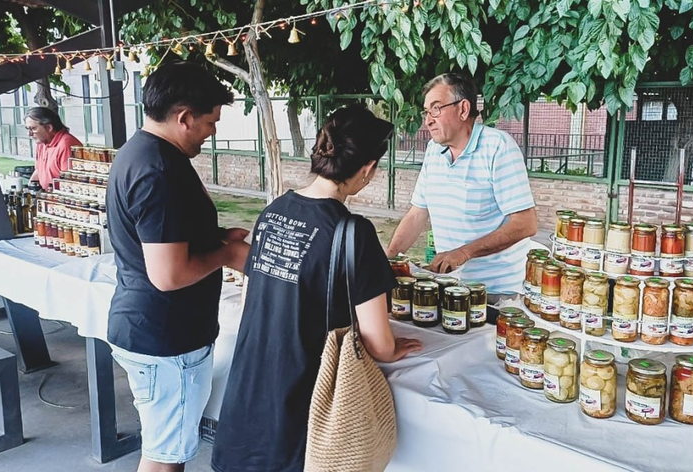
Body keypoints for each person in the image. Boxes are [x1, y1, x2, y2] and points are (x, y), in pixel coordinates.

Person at [212, 105, 423, 472]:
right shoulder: (354, 232)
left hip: (248, 393)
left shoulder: (273, 211)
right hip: (303, 400)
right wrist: (392, 350)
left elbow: (251, 298)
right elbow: (377, 342)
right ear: (368, 170)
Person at [105, 62, 250, 472]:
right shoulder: (159, 171)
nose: (213, 131)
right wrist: (227, 255)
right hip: (165, 339)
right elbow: (168, 274)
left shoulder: (143, 151)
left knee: (167, 448)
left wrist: (216, 236)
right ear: (183, 117)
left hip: (151, 329)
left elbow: (160, 234)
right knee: (165, 459)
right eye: (209, 121)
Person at [387, 73, 537, 298]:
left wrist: (465, 252)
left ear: (463, 109)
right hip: (449, 285)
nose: (428, 120)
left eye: (436, 109)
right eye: (426, 111)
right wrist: (389, 259)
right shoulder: (433, 150)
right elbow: (417, 213)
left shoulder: (498, 147)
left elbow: (526, 224)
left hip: (498, 291)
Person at [24, 107, 82, 190]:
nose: (29, 134)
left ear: (48, 128)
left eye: (33, 128)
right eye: (28, 129)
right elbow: (38, 170)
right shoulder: (42, 142)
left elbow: (71, 183)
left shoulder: (66, 145)